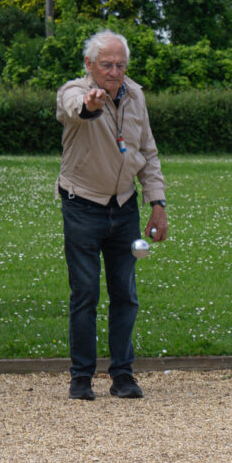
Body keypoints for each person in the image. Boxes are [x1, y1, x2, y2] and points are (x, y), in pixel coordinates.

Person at [56, 29, 168, 399]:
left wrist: (158, 204)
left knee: (126, 294)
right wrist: (91, 104)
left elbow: (147, 153)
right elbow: (75, 109)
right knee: (85, 293)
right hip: (82, 205)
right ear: (89, 65)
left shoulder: (136, 96)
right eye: (106, 64)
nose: (114, 71)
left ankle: (123, 375)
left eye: (120, 65)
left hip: (124, 209)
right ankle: (81, 377)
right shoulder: (74, 90)